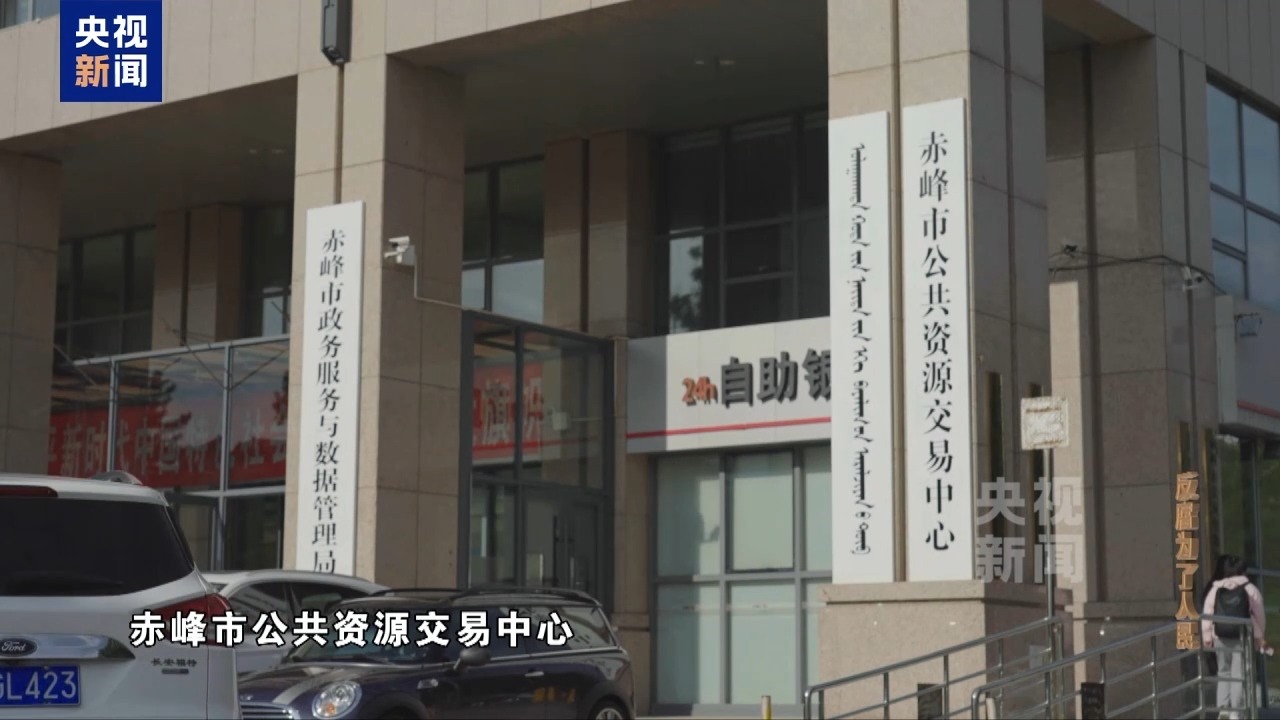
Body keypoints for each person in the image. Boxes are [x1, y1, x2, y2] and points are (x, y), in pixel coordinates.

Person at [1202, 554, 1270, 718]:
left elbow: (1207, 614)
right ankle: (1236, 712)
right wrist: (1259, 636)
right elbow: (1259, 615)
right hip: (1242, 638)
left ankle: (1223, 709)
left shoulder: (1216, 589)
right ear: (1242, 571)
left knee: (1224, 673)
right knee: (1239, 675)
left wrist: (1207, 637)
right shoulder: (1250, 589)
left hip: (1220, 636)